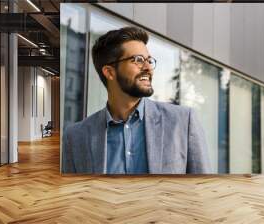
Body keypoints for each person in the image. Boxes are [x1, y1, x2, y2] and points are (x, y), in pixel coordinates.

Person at [62, 26, 211, 174]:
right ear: (109, 72)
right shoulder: (75, 137)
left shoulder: (183, 121)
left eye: (149, 60)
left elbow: (204, 189)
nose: (148, 67)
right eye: (138, 60)